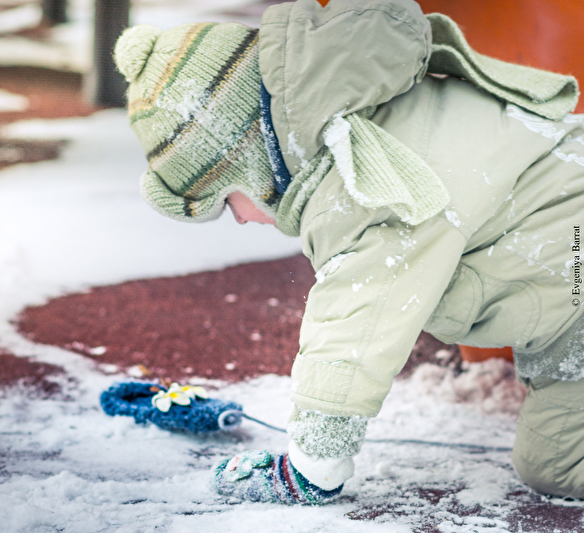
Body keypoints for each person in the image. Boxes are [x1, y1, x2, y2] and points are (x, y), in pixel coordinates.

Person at [113, 0, 584, 505]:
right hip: (568, 311)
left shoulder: (364, 180)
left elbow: (356, 320)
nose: (242, 219)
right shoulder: (378, 116)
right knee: (556, 466)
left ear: (247, 158)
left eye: (227, 201)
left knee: (558, 467)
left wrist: (309, 468)